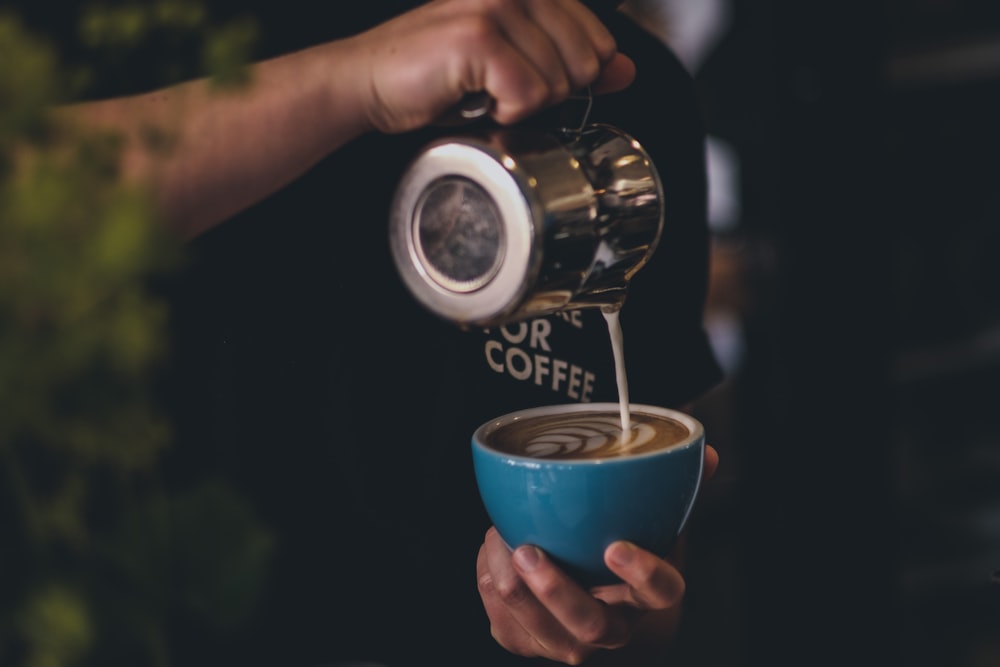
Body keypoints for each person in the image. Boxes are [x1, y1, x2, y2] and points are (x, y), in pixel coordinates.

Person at [16, 1, 723, 665]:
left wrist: (578, 614)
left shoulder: (630, 85)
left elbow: (654, 605)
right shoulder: (155, 29)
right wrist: (353, 81)